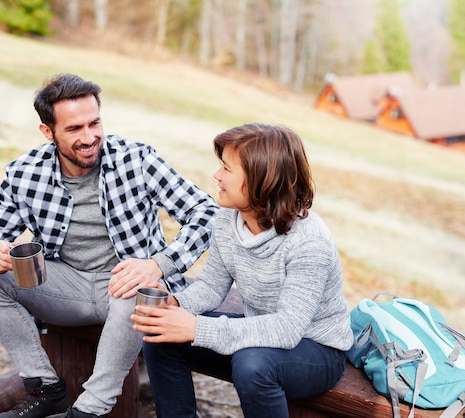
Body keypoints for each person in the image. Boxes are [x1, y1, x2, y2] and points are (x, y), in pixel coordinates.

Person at [0, 73, 219, 418]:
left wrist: (159, 263)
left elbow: (206, 212)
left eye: (94, 123)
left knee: (142, 286)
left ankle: (88, 411)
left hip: (128, 291)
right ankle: (45, 388)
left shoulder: (137, 160)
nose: (89, 138)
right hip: (65, 288)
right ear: (48, 132)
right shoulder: (25, 174)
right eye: (74, 129)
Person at [132, 123, 354, 418]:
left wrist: (198, 328)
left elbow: (287, 329)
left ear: (262, 179)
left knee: (252, 365)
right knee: (163, 335)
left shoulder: (309, 241)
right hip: (258, 335)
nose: (217, 175)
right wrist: (176, 304)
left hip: (316, 351)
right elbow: (211, 286)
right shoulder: (227, 220)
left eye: (226, 168)